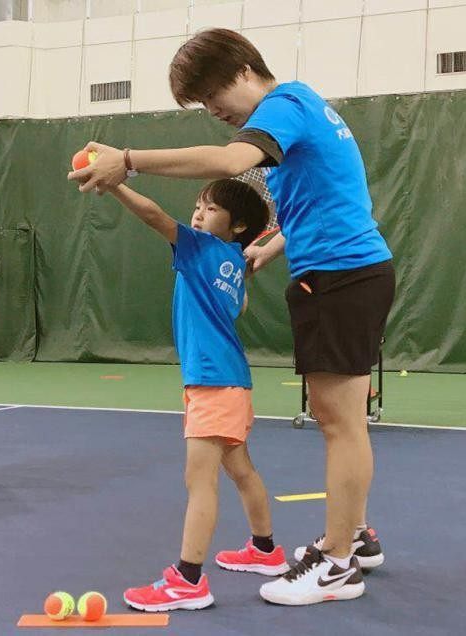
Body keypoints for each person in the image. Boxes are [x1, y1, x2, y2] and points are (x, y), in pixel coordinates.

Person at [69, 27, 393, 605]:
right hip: (339, 272)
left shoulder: (284, 107)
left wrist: (130, 162)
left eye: (211, 96)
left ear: (244, 71)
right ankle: (356, 538)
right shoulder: (304, 106)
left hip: (344, 276)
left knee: (341, 423)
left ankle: (339, 563)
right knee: (338, 418)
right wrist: (271, 247)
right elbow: (325, 194)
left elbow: (227, 161)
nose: (212, 110)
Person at [108, 178, 289, 612]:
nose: (197, 214)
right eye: (197, 206)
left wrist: (114, 184)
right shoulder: (232, 261)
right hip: (230, 382)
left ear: (239, 225)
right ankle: (266, 551)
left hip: (212, 382)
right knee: (240, 469)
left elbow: (153, 215)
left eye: (210, 209)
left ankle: (188, 580)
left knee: (200, 481)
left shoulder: (198, 248)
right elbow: (238, 307)